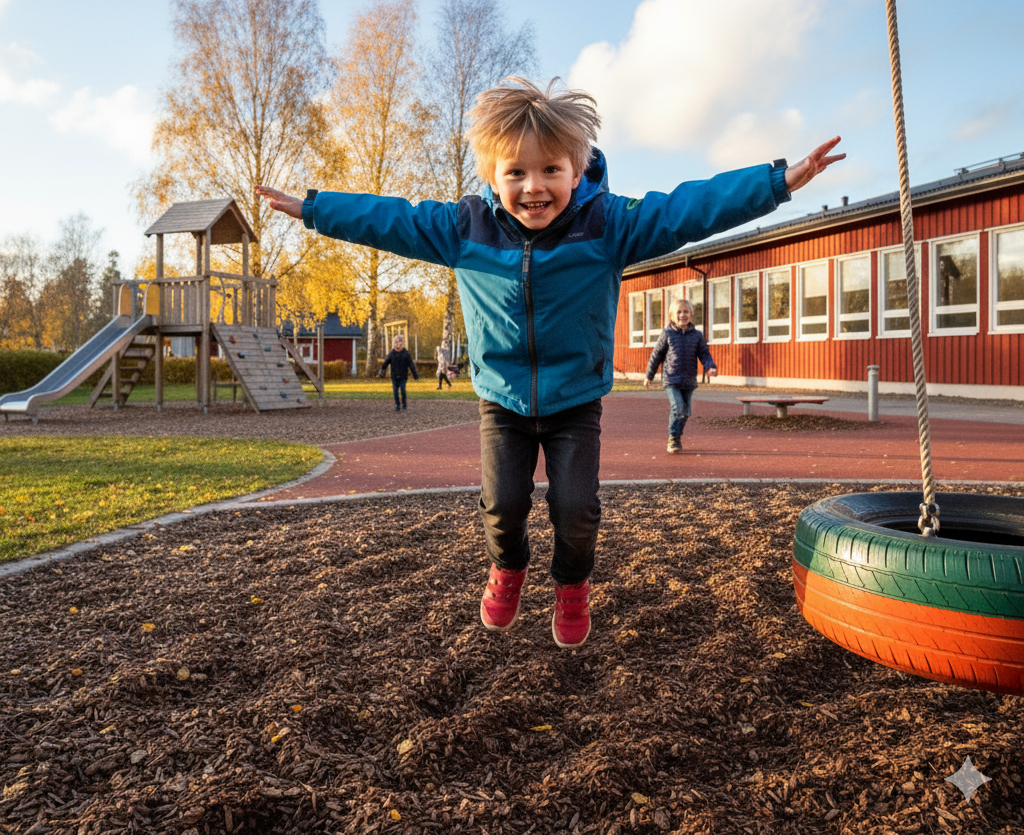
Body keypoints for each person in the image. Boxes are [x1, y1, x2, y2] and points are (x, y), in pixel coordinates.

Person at [257, 77, 844, 649]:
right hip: (503, 400)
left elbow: (687, 210)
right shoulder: (464, 228)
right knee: (503, 505)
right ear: (493, 176)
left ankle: (571, 586)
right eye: (515, 172)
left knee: (576, 509)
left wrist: (777, 182)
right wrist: (315, 208)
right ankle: (508, 567)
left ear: (577, 169)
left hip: (574, 401)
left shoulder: (608, 224)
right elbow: (389, 219)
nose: (533, 187)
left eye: (550, 170)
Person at [644, 299, 716, 453]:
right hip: (671, 378)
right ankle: (673, 437)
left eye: (686, 312)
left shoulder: (697, 335)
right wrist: (649, 375)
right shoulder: (667, 333)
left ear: (691, 315)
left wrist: (710, 367)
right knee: (678, 407)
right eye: (679, 312)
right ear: (672, 316)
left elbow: (704, 353)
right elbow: (656, 355)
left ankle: (677, 435)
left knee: (685, 412)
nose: (682, 315)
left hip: (689, 379)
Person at [378, 334, 419, 412]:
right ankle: (397, 405)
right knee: (395, 391)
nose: (398, 344)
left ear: (402, 343)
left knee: (403, 390)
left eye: (400, 342)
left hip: (403, 376)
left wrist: (415, 375)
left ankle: (404, 403)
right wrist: (381, 371)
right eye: (396, 342)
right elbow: (385, 363)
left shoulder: (405, 353)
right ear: (394, 343)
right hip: (394, 376)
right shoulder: (392, 353)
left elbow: (411, 364)